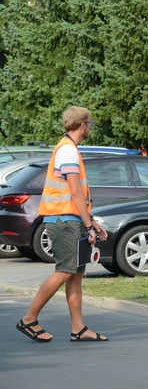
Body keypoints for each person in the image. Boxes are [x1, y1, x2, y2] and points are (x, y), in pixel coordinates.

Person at [17, 106, 109, 343]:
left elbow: (77, 195)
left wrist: (90, 222)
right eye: (90, 123)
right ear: (82, 125)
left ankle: (78, 328)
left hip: (71, 219)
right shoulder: (67, 151)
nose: (90, 127)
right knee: (66, 270)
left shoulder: (69, 149)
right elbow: (75, 191)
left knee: (75, 274)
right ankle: (29, 318)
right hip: (63, 220)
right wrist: (89, 226)